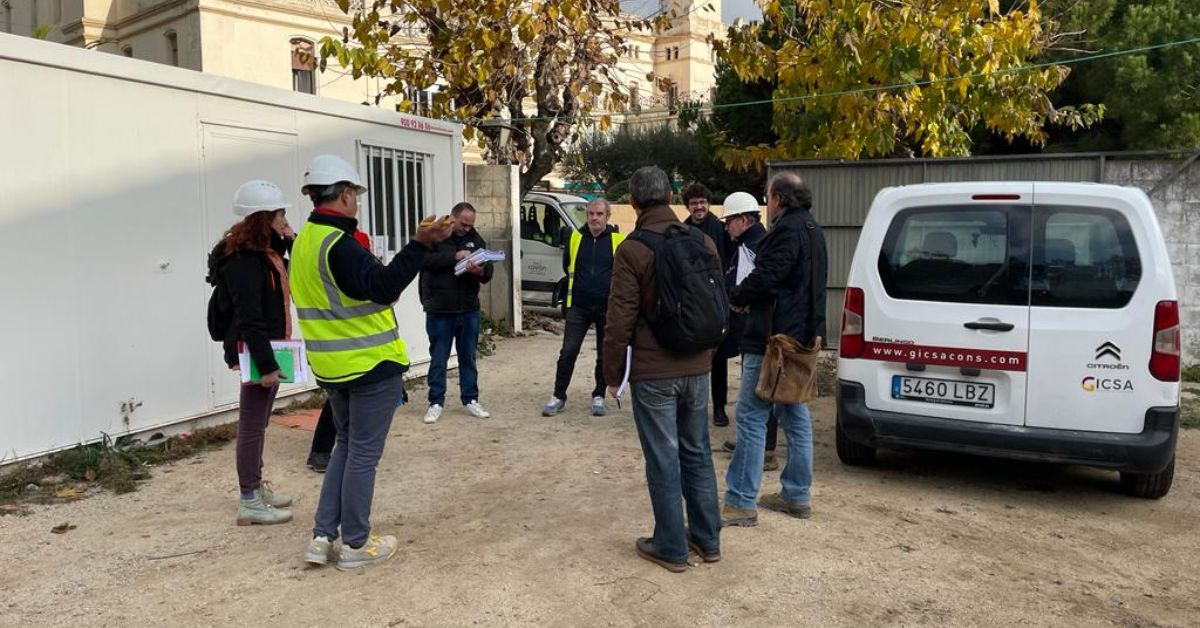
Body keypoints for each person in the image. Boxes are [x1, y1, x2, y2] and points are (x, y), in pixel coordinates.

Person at [292, 154, 451, 570]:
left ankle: (323, 536)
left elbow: (358, 292)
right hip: (369, 364)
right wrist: (419, 245)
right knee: (362, 454)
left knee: (345, 446)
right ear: (345, 194)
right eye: (356, 195)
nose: (357, 202)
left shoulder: (305, 241)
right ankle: (357, 545)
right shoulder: (339, 245)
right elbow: (382, 288)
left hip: (332, 367)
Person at [603, 166, 722, 573]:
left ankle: (671, 546)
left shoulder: (632, 250)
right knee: (698, 451)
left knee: (663, 458)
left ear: (633, 203)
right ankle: (707, 540)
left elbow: (619, 320)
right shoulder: (703, 239)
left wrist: (612, 376)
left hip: (654, 371)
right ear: (672, 196)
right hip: (698, 365)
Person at [722, 172, 828, 527]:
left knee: (752, 416)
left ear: (779, 199)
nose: (767, 205)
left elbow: (768, 276)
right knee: (794, 415)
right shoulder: (813, 229)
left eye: (768, 198)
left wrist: (738, 296)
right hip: (801, 336)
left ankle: (740, 501)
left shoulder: (787, 230)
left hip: (773, 340)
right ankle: (796, 495)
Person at [208, 180, 297, 526]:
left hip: (270, 346)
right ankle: (249, 497)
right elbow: (250, 318)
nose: (285, 219)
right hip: (258, 350)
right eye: (280, 214)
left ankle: (256, 488)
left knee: (258, 422)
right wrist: (267, 365)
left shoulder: (265, 253)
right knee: (251, 424)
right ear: (264, 218)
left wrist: (291, 239)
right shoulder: (245, 262)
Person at [715, 192, 780, 471]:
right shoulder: (749, 243)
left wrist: (737, 301)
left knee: (760, 389)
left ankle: (764, 449)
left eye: (729, 221)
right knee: (753, 389)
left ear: (743, 220)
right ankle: (751, 441)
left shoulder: (754, 247)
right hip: (751, 327)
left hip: (756, 327)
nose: (726, 227)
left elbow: (752, 286)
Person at [542, 198, 625, 417]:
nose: (594, 218)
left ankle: (598, 394)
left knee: (603, 354)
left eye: (599, 214)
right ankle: (558, 396)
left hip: (606, 308)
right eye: (591, 214)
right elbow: (568, 266)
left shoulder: (618, 240)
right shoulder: (575, 238)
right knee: (568, 351)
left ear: (608, 217)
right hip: (578, 306)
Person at [306, 228, 376, 473]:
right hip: (341, 339)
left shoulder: (354, 239)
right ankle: (321, 452)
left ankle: (329, 451)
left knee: (344, 401)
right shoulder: (334, 242)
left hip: (353, 337)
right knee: (338, 400)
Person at [418, 202, 494, 424]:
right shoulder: (435, 234)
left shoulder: (476, 238)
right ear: (452, 217)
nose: (467, 229)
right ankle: (435, 402)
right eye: (463, 224)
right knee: (439, 358)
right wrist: (455, 256)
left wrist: (480, 270)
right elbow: (423, 261)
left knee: (468, 357)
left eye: (471, 225)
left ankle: (471, 399)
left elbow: (488, 270)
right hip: (440, 309)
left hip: (468, 308)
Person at [681, 182, 733, 426]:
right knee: (690, 353)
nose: (698, 206)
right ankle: (691, 408)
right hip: (691, 298)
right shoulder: (681, 229)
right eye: (694, 203)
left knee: (719, 356)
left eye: (702, 202)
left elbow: (732, 259)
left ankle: (719, 407)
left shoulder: (721, 229)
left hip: (717, 298)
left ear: (708, 203)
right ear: (688, 206)